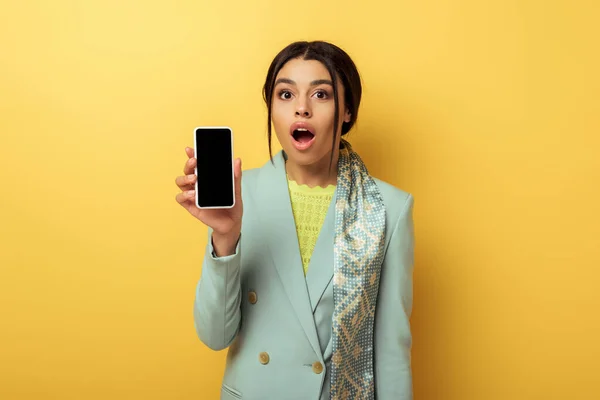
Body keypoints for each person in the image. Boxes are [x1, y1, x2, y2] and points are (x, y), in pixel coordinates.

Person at [175, 41, 415, 400]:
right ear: (271, 108)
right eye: (285, 94)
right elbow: (214, 336)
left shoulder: (388, 209)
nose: (301, 109)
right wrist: (224, 237)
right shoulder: (242, 196)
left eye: (321, 94)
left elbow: (392, 355)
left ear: (347, 110)